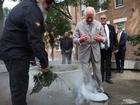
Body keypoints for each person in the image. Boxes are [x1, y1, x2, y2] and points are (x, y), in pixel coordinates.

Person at [0, 0, 54, 105]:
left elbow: (27, 36)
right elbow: (35, 40)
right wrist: (44, 63)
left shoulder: (27, 6)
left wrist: (32, 57)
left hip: (14, 51)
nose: (48, 7)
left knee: (20, 86)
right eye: (47, 3)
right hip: (15, 53)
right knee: (19, 90)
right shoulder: (32, 10)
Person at [73, 7, 107, 92]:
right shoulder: (79, 25)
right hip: (83, 52)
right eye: (88, 16)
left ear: (94, 15)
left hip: (95, 51)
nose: (90, 18)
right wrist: (79, 40)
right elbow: (74, 39)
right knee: (84, 72)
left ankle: (98, 88)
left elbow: (105, 38)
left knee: (97, 72)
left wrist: (102, 39)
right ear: (84, 15)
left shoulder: (99, 24)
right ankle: (86, 89)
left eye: (91, 16)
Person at [100, 14, 118, 84]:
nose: (103, 19)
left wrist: (116, 47)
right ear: (100, 20)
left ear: (106, 19)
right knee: (101, 64)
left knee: (108, 63)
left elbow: (114, 38)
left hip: (108, 49)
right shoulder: (98, 28)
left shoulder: (111, 27)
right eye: (101, 18)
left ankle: (108, 78)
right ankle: (101, 78)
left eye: (104, 18)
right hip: (100, 49)